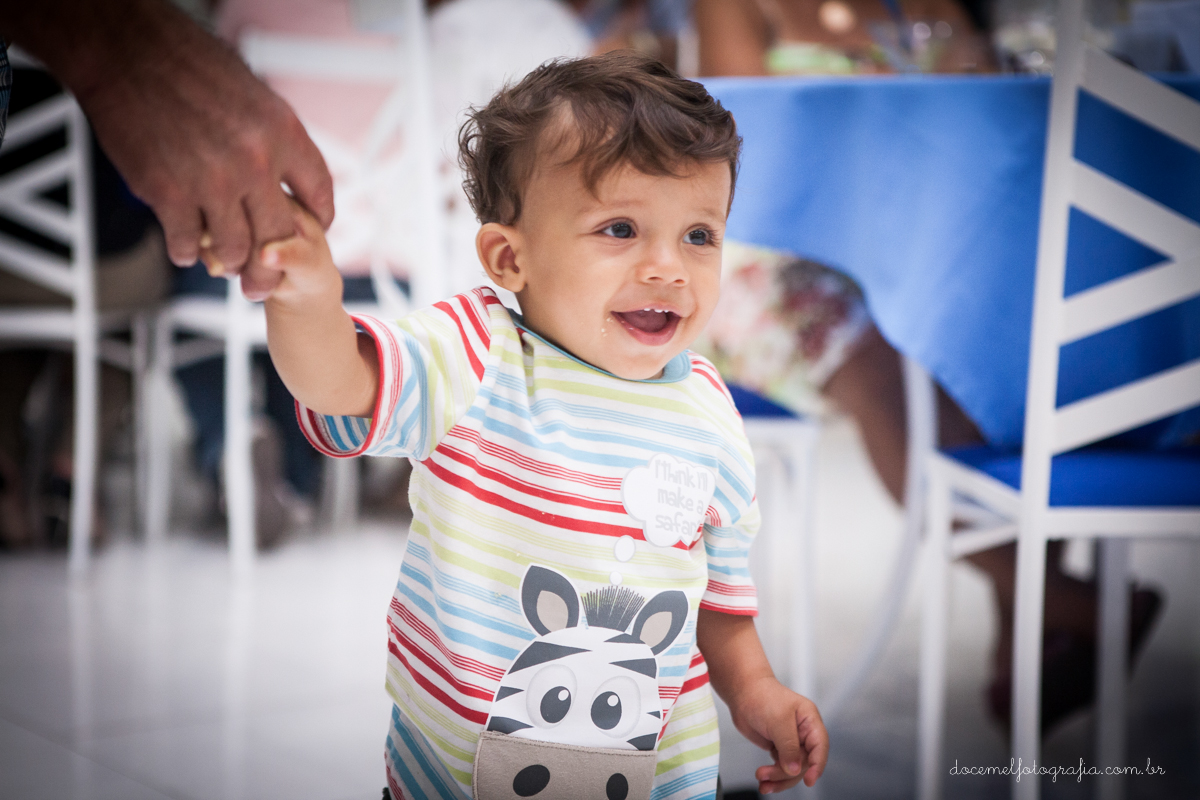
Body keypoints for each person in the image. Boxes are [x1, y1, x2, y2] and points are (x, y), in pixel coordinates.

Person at [242, 52, 828, 799]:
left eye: (699, 236)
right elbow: (338, 382)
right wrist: (307, 299)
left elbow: (719, 602)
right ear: (509, 257)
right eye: (620, 228)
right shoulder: (474, 356)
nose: (670, 267)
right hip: (449, 779)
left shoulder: (709, 412)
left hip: (659, 779)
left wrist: (756, 691)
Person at [691, 0, 1160, 735]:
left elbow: (983, 88)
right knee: (880, 359)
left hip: (922, 253)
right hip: (776, 251)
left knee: (1000, 324)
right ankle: (1080, 608)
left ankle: (1028, 633)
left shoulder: (932, 5)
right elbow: (734, 144)